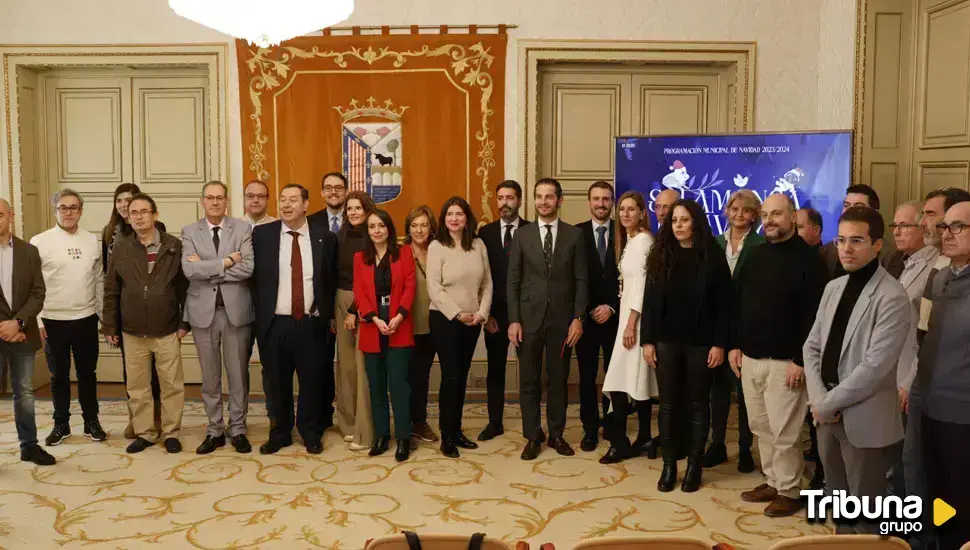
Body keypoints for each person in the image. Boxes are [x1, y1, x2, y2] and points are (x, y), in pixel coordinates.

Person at [803, 206, 912, 535]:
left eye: (857, 241)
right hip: (827, 416)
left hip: (864, 418)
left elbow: (875, 368)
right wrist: (820, 399)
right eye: (841, 240)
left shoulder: (892, 296)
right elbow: (811, 347)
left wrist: (827, 403)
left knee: (866, 515)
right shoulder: (833, 288)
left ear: (877, 245)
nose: (846, 249)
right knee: (837, 506)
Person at [730, 193, 828, 517]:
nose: (771, 220)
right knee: (761, 426)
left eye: (777, 214)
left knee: (786, 432)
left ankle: (790, 490)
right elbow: (738, 302)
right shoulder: (756, 254)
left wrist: (801, 360)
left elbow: (815, 316)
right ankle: (773, 480)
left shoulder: (809, 259)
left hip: (787, 362)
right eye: (767, 214)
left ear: (792, 216)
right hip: (751, 358)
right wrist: (735, 345)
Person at [641, 199, 731, 493]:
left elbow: (723, 307)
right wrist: (648, 341)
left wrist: (719, 344)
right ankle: (669, 466)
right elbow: (650, 302)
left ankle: (694, 465)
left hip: (701, 344)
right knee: (666, 406)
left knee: (697, 405)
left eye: (684, 219)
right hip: (666, 342)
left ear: (695, 222)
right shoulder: (660, 254)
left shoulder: (712, 255)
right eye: (674, 220)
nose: (678, 225)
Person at [905, 187, 970, 549]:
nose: (945, 233)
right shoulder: (939, 277)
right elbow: (922, 337)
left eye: (957, 227)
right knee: (936, 496)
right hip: (929, 404)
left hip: (964, 413)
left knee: (963, 502)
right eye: (945, 226)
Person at [251, 184, 337, 455]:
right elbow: (253, 279)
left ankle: (310, 432)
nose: (286, 205)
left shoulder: (325, 237)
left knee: (312, 381)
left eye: (293, 200)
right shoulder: (262, 235)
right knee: (277, 383)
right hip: (275, 323)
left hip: (311, 323)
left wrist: (329, 316)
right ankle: (280, 433)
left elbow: (330, 281)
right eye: (282, 200)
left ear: (306, 204)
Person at [102, 193, 190, 454]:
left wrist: (185, 322)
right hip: (132, 330)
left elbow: (186, 288)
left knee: (171, 385)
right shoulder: (121, 248)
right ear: (127, 217)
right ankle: (145, 433)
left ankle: (171, 432)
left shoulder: (174, 246)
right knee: (138, 386)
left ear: (155, 214)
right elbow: (111, 290)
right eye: (133, 213)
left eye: (144, 212)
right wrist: (110, 326)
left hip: (167, 329)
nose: (138, 217)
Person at [508, 177, 588, 461]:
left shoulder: (574, 236)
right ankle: (532, 436)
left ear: (560, 200)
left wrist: (578, 318)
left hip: (562, 322)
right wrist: (514, 320)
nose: (543, 201)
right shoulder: (522, 235)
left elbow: (581, 280)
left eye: (549, 197)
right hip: (528, 321)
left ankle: (556, 434)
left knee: (557, 380)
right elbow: (513, 281)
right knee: (529, 381)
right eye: (539, 197)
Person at [181, 181, 255, 455]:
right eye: (210, 198)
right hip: (203, 315)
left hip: (235, 312)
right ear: (202, 201)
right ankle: (214, 430)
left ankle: (238, 428)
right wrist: (225, 262)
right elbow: (189, 271)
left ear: (227, 202)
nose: (214, 202)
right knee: (210, 378)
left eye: (219, 198)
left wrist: (206, 267)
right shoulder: (189, 231)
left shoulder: (243, 228)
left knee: (237, 376)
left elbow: (248, 268)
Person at [31, 189, 106, 446]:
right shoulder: (39, 242)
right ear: (55, 211)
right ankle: (61, 424)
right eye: (64, 207)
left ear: (81, 211)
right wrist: (39, 320)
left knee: (88, 373)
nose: (69, 212)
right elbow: (33, 284)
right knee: (58, 376)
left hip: (86, 318)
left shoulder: (92, 240)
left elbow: (98, 280)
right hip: (53, 319)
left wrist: (101, 315)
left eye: (74, 207)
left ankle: (91, 422)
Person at [428, 197, 493, 458]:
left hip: (473, 321)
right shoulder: (437, 246)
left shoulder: (477, 245)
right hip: (446, 320)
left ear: (467, 218)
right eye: (449, 214)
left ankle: (457, 430)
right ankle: (447, 436)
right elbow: (434, 287)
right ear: (444, 219)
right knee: (451, 377)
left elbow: (487, 283)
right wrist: (458, 315)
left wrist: (481, 313)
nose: (454, 218)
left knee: (462, 377)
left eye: (459, 214)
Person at [101, 182, 164, 439]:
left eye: (130, 200)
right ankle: (135, 418)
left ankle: (156, 418)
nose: (125, 205)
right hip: (125, 312)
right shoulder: (110, 233)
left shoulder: (155, 230)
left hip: (153, 314)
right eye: (120, 200)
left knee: (155, 372)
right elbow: (109, 280)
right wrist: (110, 322)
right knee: (132, 372)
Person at [706, 189, 763, 472]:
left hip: (746, 326)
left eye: (746, 210)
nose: (739, 214)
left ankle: (744, 449)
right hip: (716, 327)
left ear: (755, 215)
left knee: (744, 394)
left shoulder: (761, 245)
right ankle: (716, 444)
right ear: (727, 211)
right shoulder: (714, 243)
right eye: (735, 208)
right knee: (716, 392)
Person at [599, 191, 657, 464]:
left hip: (636, 320)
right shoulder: (631, 240)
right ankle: (643, 436)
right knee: (634, 380)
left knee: (621, 382)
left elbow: (643, 286)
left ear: (642, 213)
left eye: (631, 209)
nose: (625, 214)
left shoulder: (644, 241)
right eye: (622, 209)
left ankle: (619, 443)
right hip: (628, 317)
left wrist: (632, 324)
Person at [354, 209, 416, 462]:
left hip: (399, 321)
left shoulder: (404, 253)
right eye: (371, 227)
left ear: (389, 228)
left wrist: (398, 316)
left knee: (399, 385)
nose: (376, 230)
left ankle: (403, 437)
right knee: (376, 386)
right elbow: (359, 293)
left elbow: (411, 286)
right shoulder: (360, 257)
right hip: (372, 325)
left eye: (381, 225)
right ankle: (381, 435)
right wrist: (375, 319)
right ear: (367, 231)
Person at [0, 198, 54, 465]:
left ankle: (29, 446)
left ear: (10, 216)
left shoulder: (29, 251)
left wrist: (18, 324)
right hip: (2, 332)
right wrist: (5, 328)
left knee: (24, 392)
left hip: (22, 333)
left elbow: (38, 293)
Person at [477, 180, 531, 441]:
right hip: (495, 316)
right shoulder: (484, 234)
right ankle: (494, 422)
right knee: (495, 370)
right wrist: (486, 316)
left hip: (528, 315)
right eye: (500, 197)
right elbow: (479, 278)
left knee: (530, 371)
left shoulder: (533, 230)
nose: (505, 203)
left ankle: (532, 426)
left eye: (510, 197)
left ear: (519, 201)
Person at [575, 181, 621, 452]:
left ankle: (613, 424)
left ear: (612, 202)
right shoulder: (576, 233)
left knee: (614, 377)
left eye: (606, 199)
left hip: (616, 319)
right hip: (586, 320)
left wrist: (611, 306)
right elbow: (573, 278)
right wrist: (586, 310)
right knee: (586, 376)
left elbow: (633, 278)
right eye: (596, 199)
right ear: (589, 201)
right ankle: (589, 429)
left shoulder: (623, 232)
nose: (601, 203)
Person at [333, 191, 376, 451]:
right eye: (349, 209)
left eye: (358, 208)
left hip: (363, 302)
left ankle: (364, 427)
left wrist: (353, 309)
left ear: (368, 209)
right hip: (340, 299)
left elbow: (369, 278)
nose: (353, 212)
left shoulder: (373, 236)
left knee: (364, 366)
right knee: (345, 365)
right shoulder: (341, 236)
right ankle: (347, 425)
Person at [308, 172, 349, 430]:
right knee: (320, 360)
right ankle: (323, 414)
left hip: (349, 300)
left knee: (348, 361)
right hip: (319, 303)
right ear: (321, 193)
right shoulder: (310, 222)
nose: (333, 192)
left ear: (346, 191)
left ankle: (350, 414)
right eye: (328, 187)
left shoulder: (358, 218)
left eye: (339, 187)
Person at [403, 205, 439, 443]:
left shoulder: (439, 251)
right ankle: (410, 422)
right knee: (408, 376)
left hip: (436, 324)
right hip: (408, 325)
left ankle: (418, 420)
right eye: (414, 225)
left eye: (423, 225)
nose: (419, 230)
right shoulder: (401, 253)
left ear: (431, 227)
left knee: (422, 376)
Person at [820, 184, 881, 279]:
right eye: (846, 205)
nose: (850, 211)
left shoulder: (889, 255)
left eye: (859, 206)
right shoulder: (825, 252)